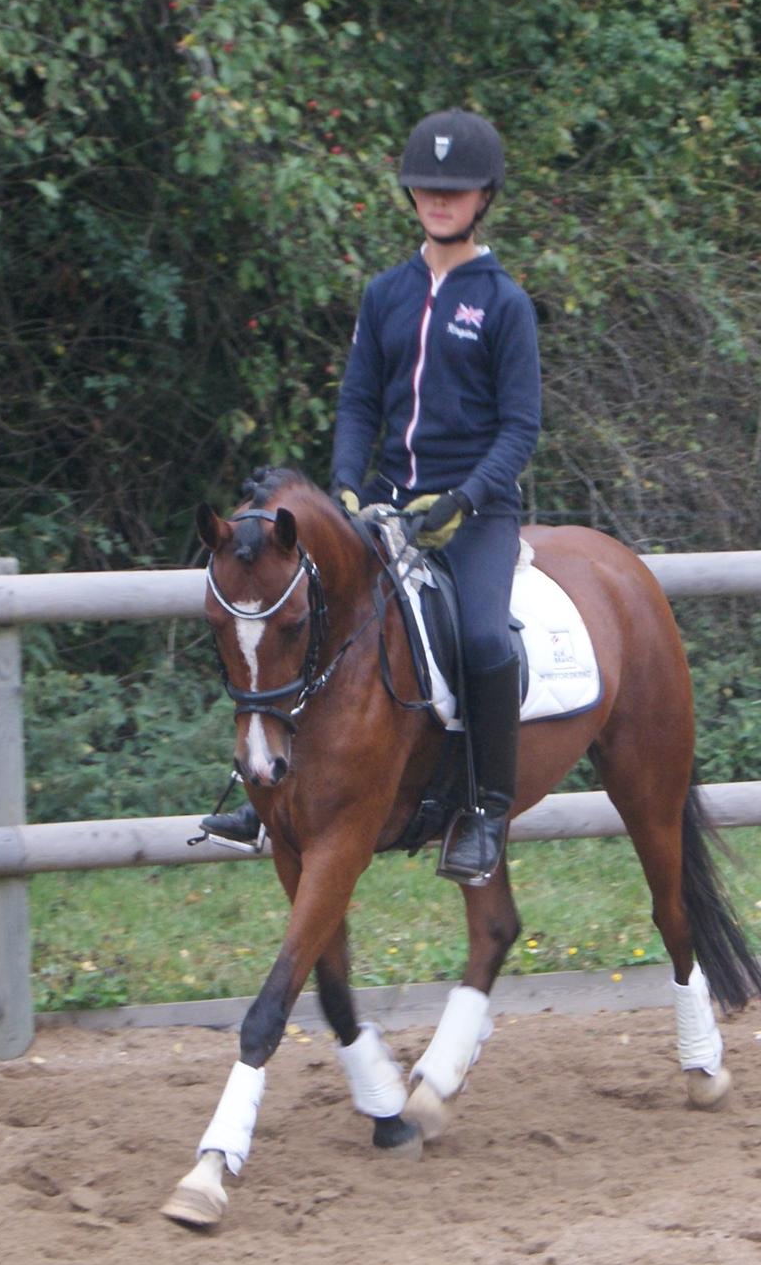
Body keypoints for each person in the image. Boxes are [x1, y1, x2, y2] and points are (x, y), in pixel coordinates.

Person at [200, 107, 542, 884]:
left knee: (486, 642)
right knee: (299, 617)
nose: (438, 200)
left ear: (483, 196)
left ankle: (485, 809)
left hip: (476, 514)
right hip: (387, 503)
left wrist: (464, 498)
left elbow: (520, 428)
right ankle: (264, 794)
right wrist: (348, 486)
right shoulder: (387, 294)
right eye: (426, 187)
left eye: (453, 190)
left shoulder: (504, 304)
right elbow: (358, 403)